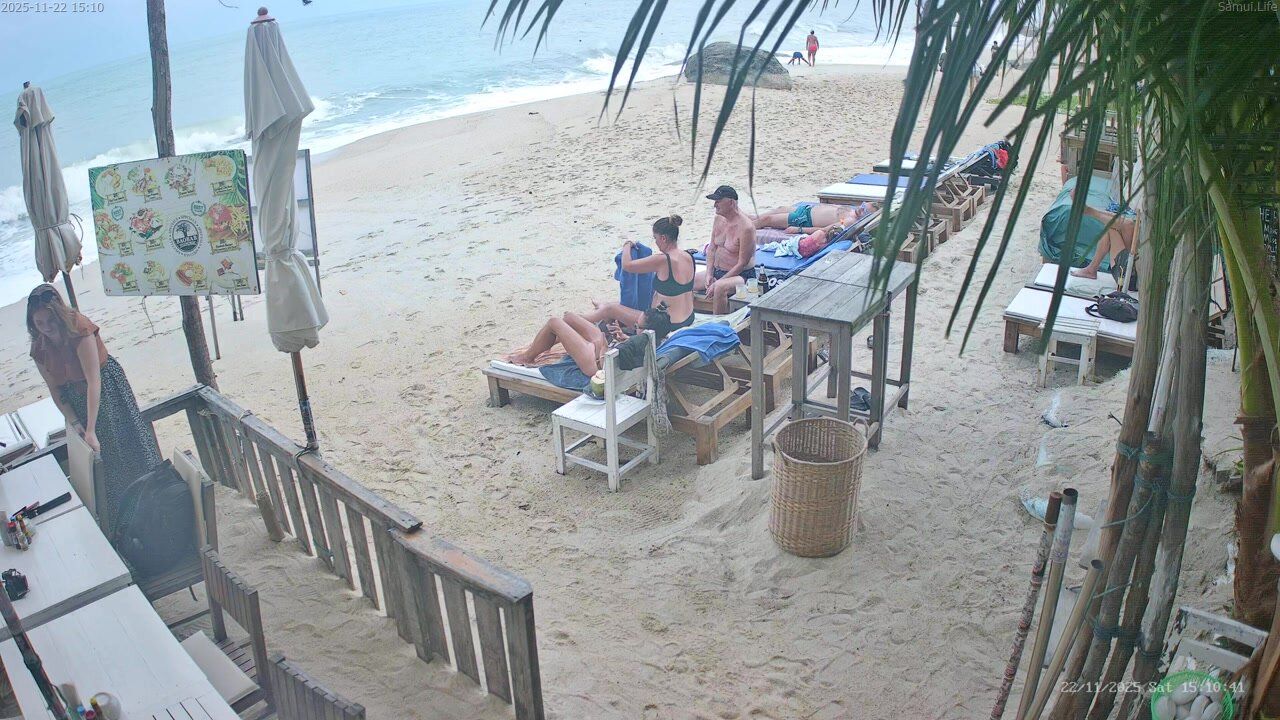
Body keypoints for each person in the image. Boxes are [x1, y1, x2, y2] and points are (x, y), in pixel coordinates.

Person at [26, 284, 161, 518]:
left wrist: (90, 429)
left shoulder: (79, 327)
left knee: (123, 445)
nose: (46, 327)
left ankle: (151, 501)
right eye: (39, 323)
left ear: (59, 315)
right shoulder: (39, 347)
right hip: (74, 397)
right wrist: (75, 422)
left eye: (50, 321)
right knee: (102, 460)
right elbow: (54, 388)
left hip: (106, 390)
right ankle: (120, 514)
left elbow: (94, 380)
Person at [505, 308, 673, 391]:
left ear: (646, 330)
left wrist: (603, 346)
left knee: (554, 322)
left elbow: (604, 363)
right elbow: (633, 348)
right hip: (608, 356)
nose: (634, 327)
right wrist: (625, 339)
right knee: (569, 317)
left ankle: (528, 356)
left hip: (597, 365)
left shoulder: (638, 342)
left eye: (637, 326)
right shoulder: (654, 340)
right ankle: (553, 339)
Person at [584, 215, 696, 332]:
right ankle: (601, 308)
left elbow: (627, 265)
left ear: (663, 238)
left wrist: (627, 245)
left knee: (610, 309)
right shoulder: (688, 256)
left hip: (667, 325)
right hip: (688, 319)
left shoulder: (662, 260)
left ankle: (577, 319)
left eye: (655, 238)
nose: (655, 242)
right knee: (616, 306)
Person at [696, 185, 757, 315]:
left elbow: (742, 263)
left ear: (731, 203)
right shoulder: (718, 219)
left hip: (741, 276)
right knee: (686, 281)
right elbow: (712, 248)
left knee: (719, 287)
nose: (714, 205)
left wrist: (721, 280)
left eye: (718, 201)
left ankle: (717, 323)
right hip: (717, 271)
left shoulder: (746, 227)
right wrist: (709, 274)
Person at [754, 201, 871, 234]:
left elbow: (827, 230)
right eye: (863, 205)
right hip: (806, 210)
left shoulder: (849, 221)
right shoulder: (853, 211)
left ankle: (745, 228)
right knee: (778, 209)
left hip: (804, 219)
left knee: (767, 220)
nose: (861, 208)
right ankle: (748, 220)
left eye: (864, 210)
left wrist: (799, 229)